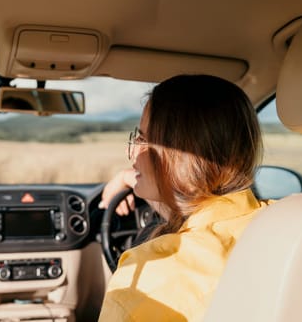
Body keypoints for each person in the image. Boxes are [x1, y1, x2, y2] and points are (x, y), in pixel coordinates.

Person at [98, 74, 264, 322]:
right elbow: (191, 197)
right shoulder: (285, 224)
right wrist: (127, 177)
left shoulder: (148, 274)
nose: (130, 150)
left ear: (181, 157)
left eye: (143, 139)